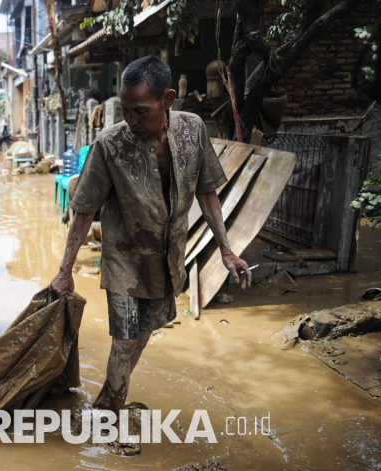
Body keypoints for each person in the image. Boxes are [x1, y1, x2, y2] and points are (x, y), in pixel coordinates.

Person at [49, 55, 251, 413]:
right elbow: (83, 212)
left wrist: (226, 251)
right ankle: (109, 414)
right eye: (126, 111)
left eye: (140, 111)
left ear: (168, 100)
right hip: (124, 259)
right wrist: (65, 271)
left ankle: (109, 400)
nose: (131, 120)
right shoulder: (109, 145)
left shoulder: (193, 130)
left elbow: (206, 193)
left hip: (166, 256)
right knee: (124, 341)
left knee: (143, 335)